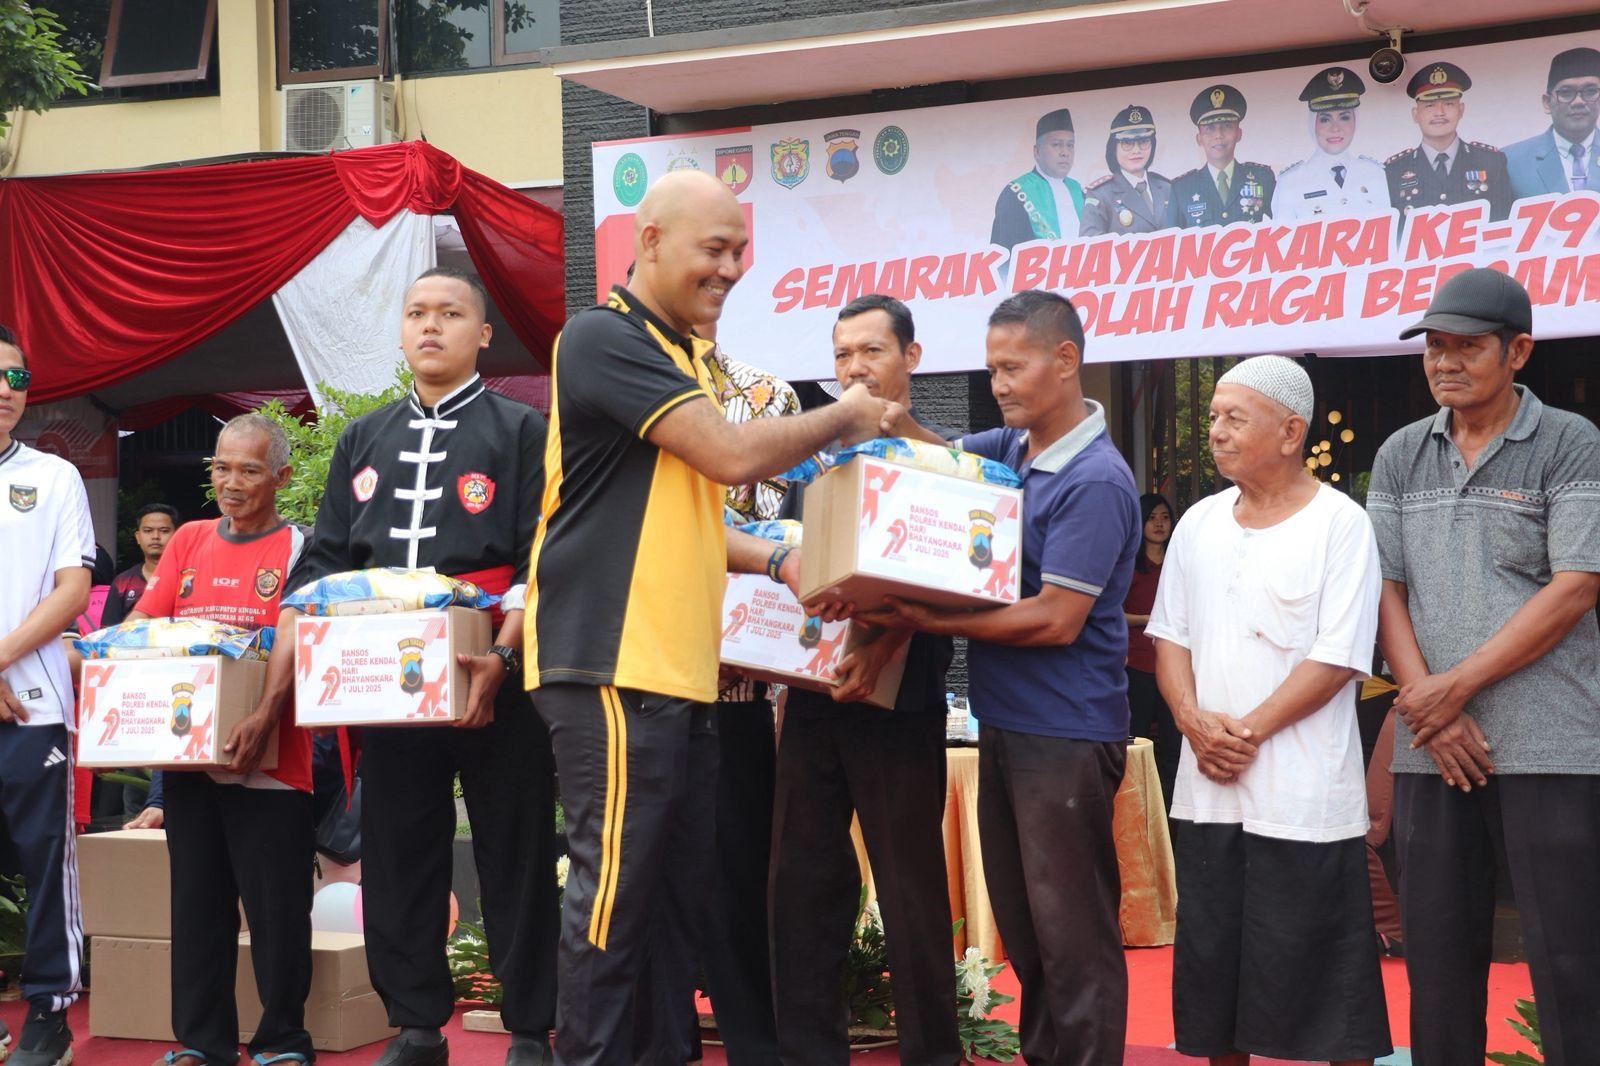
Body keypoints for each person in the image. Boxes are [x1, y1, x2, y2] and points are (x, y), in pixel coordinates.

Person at [522, 168, 891, 1066]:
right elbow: (728, 455)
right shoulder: (605, 338)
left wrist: (779, 556)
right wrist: (843, 414)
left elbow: (695, 515)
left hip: (676, 672)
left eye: (740, 253)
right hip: (609, 661)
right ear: (648, 242)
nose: (730, 269)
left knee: (671, 910)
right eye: (713, 249)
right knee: (612, 909)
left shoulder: (682, 355)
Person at [255, 266, 561, 1066]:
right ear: (399, 332)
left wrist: (502, 653)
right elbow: (323, 559)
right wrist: (276, 681)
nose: (432, 326)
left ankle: (530, 1026)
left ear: (482, 335)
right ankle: (418, 1024)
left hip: (500, 662)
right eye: (417, 312)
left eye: (451, 313)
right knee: (397, 851)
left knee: (516, 846)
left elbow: (542, 552)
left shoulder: (523, 429)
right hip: (381, 672)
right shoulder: (363, 437)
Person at [867, 289, 1140, 1065]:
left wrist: (926, 620)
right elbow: (943, 456)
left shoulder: (1094, 478)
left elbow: (1057, 618)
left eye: (1013, 367)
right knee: (1027, 929)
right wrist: (882, 413)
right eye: (992, 370)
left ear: (1065, 362)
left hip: (1067, 733)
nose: (1000, 384)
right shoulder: (1015, 448)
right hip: (1010, 726)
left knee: (1073, 936)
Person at [1367, 267, 1600, 1064]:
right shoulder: (1401, 454)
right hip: (1433, 752)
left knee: (1571, 960)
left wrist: (1451, 689)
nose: (1445, 363)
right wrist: (1429, 710)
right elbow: (1384, 589)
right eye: (1435, 347)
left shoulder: (1570, 442)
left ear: (1519, 351)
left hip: (1553, 744)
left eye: (1467, 347)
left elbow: (1575, 586)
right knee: (1435, 965)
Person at [1146, 356, 1391, 1066]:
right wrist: (1193, 723)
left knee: (1328, 985)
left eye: (1233, 419)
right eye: (1213, 417)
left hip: (1304, 795)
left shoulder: (1341, 524)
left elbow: (1340, 654)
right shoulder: (1197, 523)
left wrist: (1243, 732)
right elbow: (1170, 639)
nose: (1215, 433)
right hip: (1211, 793)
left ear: (1290, 433)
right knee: (1215, 971)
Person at [768, 294, 961, 1066]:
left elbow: (957, 585)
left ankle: (932, 1055)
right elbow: (785, 560)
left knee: (910, 893)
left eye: (871, 351)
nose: (854, 368)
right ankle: (809, 1052)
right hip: (814, 699)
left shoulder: (946, 461)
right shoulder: (811, 459)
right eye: (843, 353)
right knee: (800, 888)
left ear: (910, 357)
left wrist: (882, 647)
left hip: (902, 705)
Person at [121, 414, 315, 1066]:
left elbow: (296, 639)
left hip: (271, 758)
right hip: (188, 759)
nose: (230, 483)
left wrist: (264, 712)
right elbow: (144, 628)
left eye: (249, 470)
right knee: (198, 907)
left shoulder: (300, 548)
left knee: (276, 909)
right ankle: (203, 1044)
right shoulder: (189, 540)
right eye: (220, 467)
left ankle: (283, 1040)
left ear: (281, 477)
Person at [644, 311, 799, 1065]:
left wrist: (748, 643)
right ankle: (660, 1040)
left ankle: (754, 1045)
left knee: (737, 880)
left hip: (734, 688)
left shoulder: (765, 399)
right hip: (636, 683)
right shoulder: (614, 388)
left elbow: (781, 539)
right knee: (641, 878)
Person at [0, 323, 92, 1066]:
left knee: (43, 860)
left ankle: (48, 1014)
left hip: (33, 706)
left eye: (18, 378)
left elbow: (73, 589)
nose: (6, 391)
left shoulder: (54, 477)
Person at [1384, 62, 1512, 223]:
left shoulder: (1491, 161)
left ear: (1461, 110)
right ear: (1415, 114)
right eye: (1429, 105)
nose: (1439, 113)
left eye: (1449, 104)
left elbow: (1504, 224)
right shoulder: (1394, 170)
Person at [1271, 67, 1388, 222]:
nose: (1335, 128)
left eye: (1344, 117)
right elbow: (1283, 242)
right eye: (1325, 119)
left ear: (1356, 121)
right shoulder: (1290, 181)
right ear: (1312, 124)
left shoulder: (1375, 173)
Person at [1122, 492, 1178, 809]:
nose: (1159, 523)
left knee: (1174, 746)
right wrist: (1147, 619)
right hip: (1136, 664)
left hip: (1173, 667)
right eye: (1152, 517)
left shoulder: (1179, 561)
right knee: (1135, 740)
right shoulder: (1127, 564)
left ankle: (1171, 816)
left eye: (1165, 517)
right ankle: (1135, 807)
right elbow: (1107, 611)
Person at [1170, 85, 1275, 228]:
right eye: (1210, 128)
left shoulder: (1263, 178)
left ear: (1239, 133)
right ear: (1199, 138)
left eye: (1226, 126)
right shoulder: (1181, 188)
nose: (1218, 135)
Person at [1505, 46, 1600, 199]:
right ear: (1547, 102)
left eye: (1590, 91)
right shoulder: (1510, 162)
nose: (1578, 102)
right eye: (1566, 93)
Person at [990, 108, 1085, 248]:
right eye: (1056, 145)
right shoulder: (1017, 192)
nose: (1065, 152)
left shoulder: (1078, 190)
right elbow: (1006, 256)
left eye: (1070, 145)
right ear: (1037, 151)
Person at [1081, 106, 1176, 237]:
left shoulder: (1167, 189)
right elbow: (1091, 250)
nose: (1136, 150)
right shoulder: (1100, 195)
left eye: (1143, 141)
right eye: (1127, 143)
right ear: (1113, 148)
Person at [100, 502, 179, 627]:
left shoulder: (188, 579)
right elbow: (108, 631)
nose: (156, 537)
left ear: (177, 535)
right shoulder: (122, 582)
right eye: (148, 531)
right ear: (137, 537)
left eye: (164, 531)